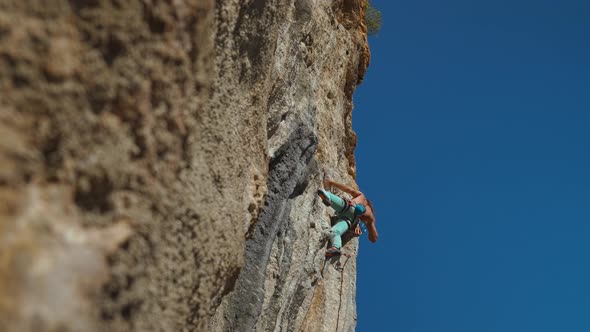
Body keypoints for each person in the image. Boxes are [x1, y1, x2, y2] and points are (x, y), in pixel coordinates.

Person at [318, 178, 378, 257]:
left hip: (348, 206)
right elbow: (374, 238)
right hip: (351, 220)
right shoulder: (370, 216)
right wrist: (368, 226)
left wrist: (332, 182)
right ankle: (336, 247)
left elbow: (349, 190)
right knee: (335, 231)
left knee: (327, 194)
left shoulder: (362, 197)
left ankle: (327, 197)